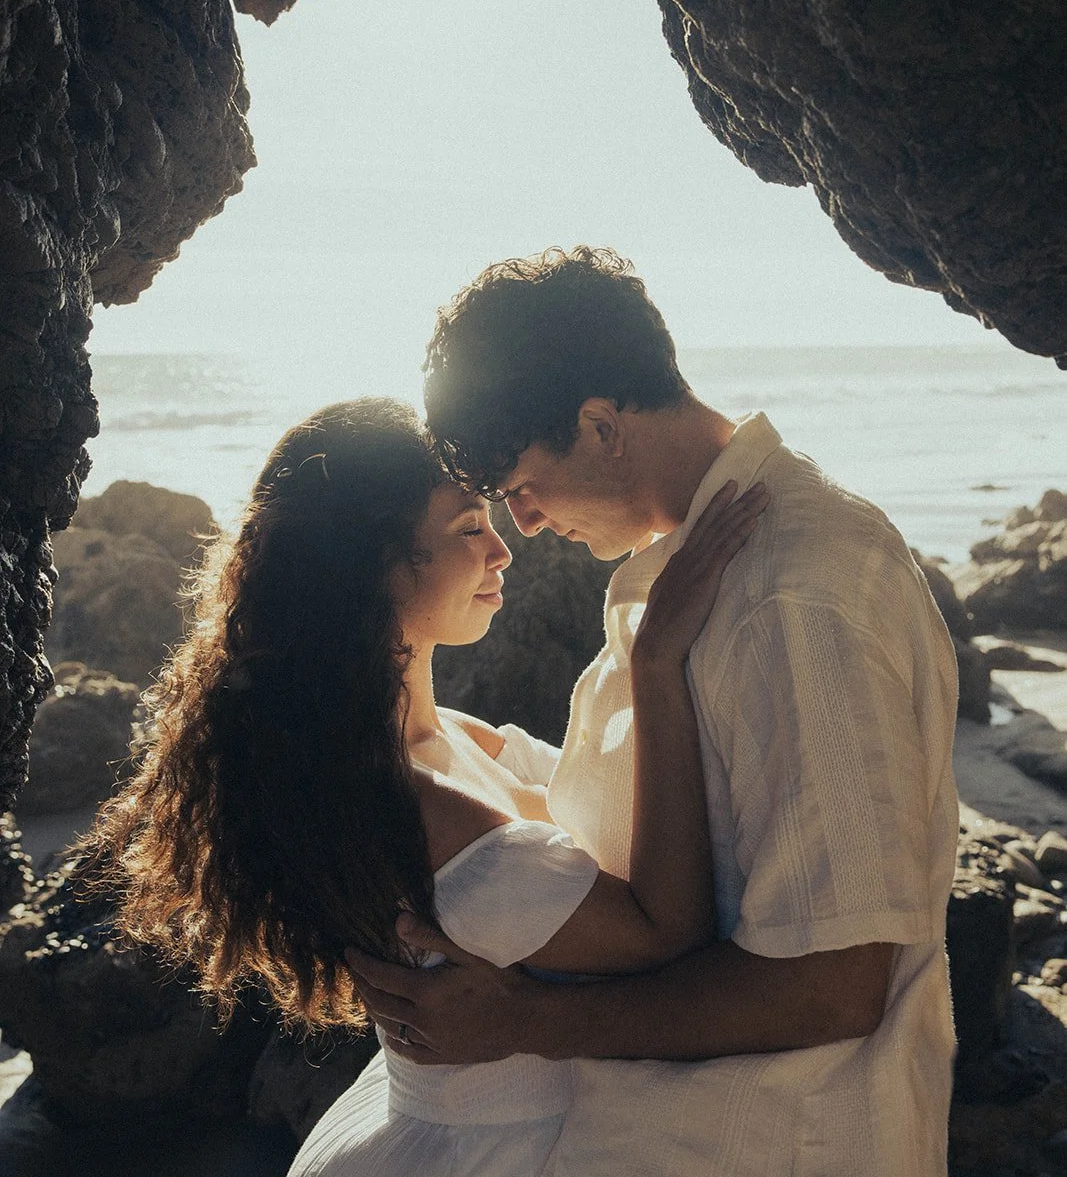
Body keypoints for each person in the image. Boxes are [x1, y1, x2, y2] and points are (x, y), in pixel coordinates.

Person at [347, 247, 960, 1177]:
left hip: (761, 1142)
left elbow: (832, 985)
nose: (528, 526)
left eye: (519, 489)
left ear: (599, 425)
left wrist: (527, 1022)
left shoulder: (790, 597)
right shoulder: (695, 564)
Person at [82, 395, 764, 1177]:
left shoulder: (453, 741)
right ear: (372, 568)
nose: (503, 552)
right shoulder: (411, 801)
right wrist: (656, 665)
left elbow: (605, 824)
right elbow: (666, 931)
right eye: (470, 528)